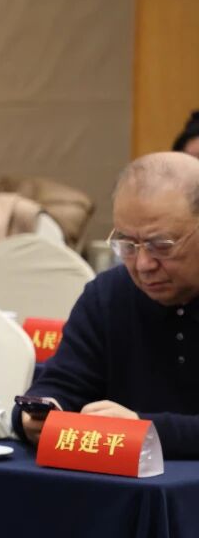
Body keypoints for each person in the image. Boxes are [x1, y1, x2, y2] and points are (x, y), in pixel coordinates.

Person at [15, 152, 199, 455]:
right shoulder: (109, 295)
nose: (143, 264)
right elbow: (64, 383)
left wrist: (144, 430)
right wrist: (38, 415)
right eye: (127, 245)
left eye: (161, 246)